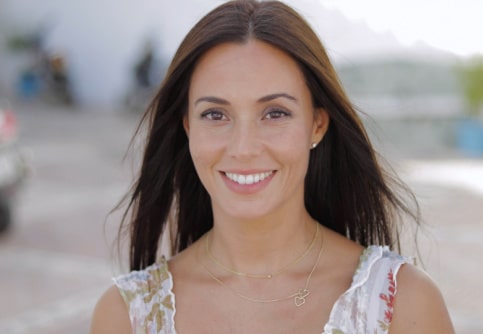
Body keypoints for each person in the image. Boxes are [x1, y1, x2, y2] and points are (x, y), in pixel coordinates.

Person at [90, 1, 455, 333]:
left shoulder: (403, 306)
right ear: (188, 127)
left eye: (275, 113)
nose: (244, 148)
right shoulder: (126, 316)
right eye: (215, 114)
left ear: (317, 124)